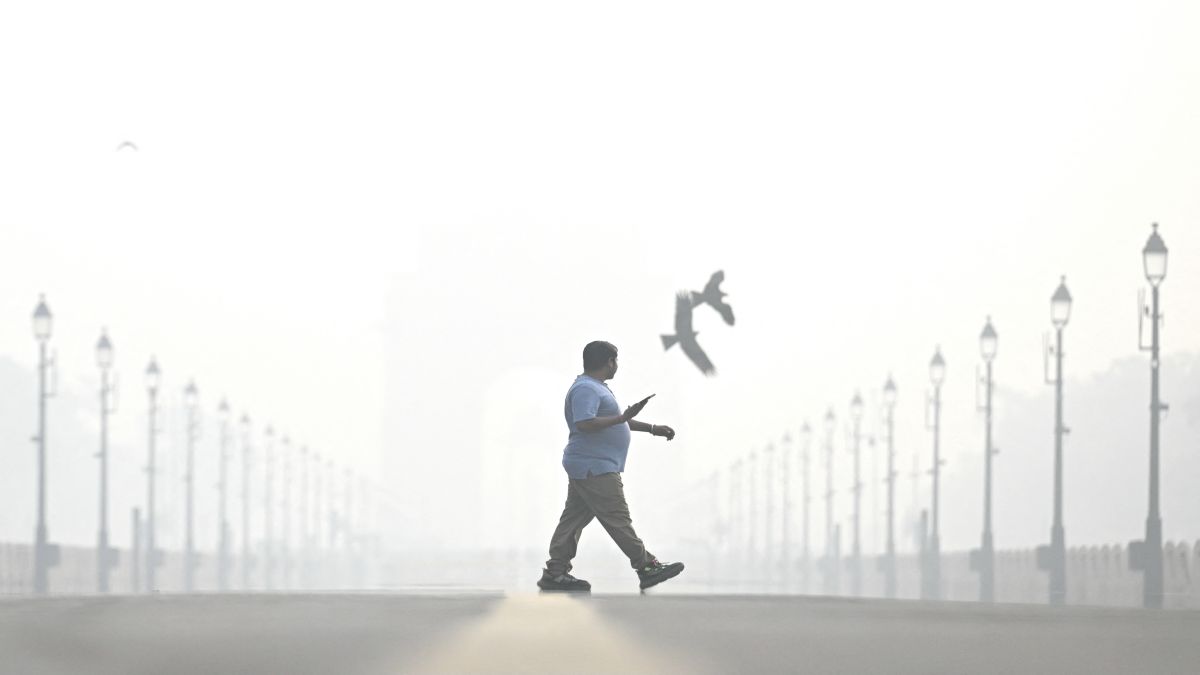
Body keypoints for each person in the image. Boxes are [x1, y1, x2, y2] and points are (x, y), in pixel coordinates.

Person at [538, 340, 685, 592]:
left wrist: (651, 428)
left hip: (590, 465)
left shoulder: (596, 388)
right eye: (615, 361)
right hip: (594, 467)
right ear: (608, 362)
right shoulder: (586, 389)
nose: (617, 365)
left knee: (573, 519)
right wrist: (622, 417)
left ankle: (556, 572)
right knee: (617, 517)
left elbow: (615, 422)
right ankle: (646, 566)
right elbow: (585, 423)